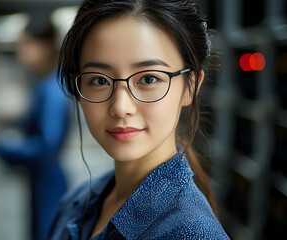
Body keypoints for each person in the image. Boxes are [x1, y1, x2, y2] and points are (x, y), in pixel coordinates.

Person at [49, 0, 229, 239]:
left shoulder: (191, 232)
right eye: (100, 80)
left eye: (149, 79)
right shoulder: (75, 203)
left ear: (191, 86)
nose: (121, 108)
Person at [0, 15, 70, 240]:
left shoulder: (52, 91)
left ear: (44, 47)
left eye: (25, 43)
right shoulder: (44, 83)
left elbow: (46, 147)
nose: (20, 50)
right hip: (41, 179)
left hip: (49, 183)